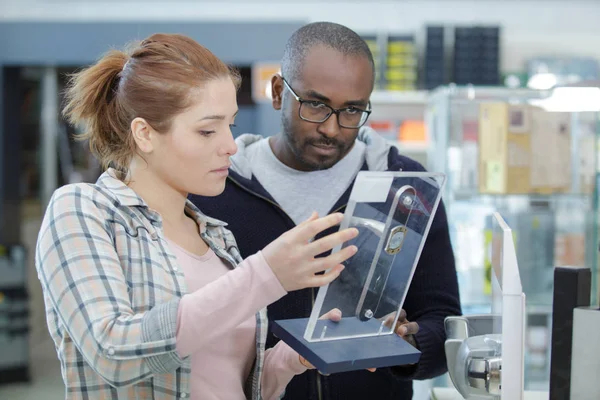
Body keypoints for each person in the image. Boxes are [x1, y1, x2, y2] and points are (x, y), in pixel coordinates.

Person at [34, 33, 362, 400]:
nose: (230, 145)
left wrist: (293, 357)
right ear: (144, 134)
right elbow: (114, 353)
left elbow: (229, 384)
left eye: (230, 126)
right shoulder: (83, 211)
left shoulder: (217, 238)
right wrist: (265, 274)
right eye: (207, 130)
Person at [189, 22, 462, 400]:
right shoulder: (213, 189)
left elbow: (443, 324)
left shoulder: (407, 188)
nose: (332, 129)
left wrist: (406, 343)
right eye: (316, 105)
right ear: (279, 92)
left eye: (352, 110)